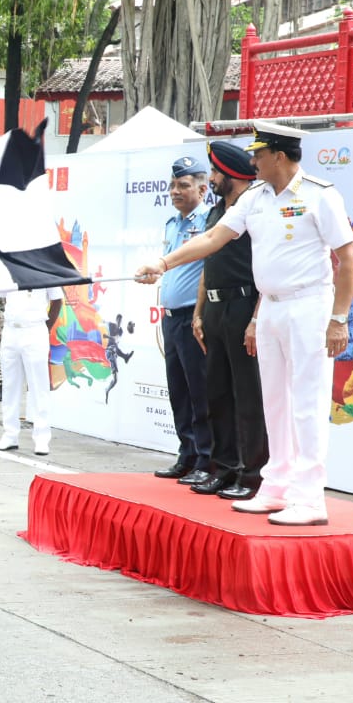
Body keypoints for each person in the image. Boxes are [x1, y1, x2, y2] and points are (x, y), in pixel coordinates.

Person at [136, 120, 353, 527]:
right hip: (270, 306)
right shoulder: (256, 197)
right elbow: (212, 240)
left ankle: (309, 497)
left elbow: (349, 258)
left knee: (306, 403)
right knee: (272, 399)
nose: (252, 161)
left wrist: (339, 320)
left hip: (309, 306)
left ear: (279, 155)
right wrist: (163, 263)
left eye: (258, 154)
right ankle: (275, 486)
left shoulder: (319, 195)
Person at [189, 140, 268, 500]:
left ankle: (251, 475)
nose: (211, 179)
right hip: (216, 308)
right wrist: (199, 312)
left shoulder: (254, 209)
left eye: (216, 173)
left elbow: (267, 269)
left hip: (243, 304)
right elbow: (209, 262)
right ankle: (222, 468)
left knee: (246, 395)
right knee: (217, 392)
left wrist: (255, 317)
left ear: (232, 175)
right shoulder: (215, 211)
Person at [152, 155, 213, 486]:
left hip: (194, 316)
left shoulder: (209, 223)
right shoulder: (172, 224)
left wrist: (200, 315)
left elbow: (206, 268)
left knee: (199, 389)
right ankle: (186, 454)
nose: (176, 190)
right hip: (171, 319)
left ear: (202, 189)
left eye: (184, 185)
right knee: (178, 389)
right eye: (173, 185)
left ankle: (206, 458)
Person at [0, 287, 64, 456]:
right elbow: (2, 295)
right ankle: (10, 435)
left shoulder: (44, 268)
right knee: (10, 386)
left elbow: (57, 300)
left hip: (34, 329)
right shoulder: (10, 267)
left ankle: (42, 437)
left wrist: (46, 326)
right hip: (11, 330)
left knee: (39, 387)